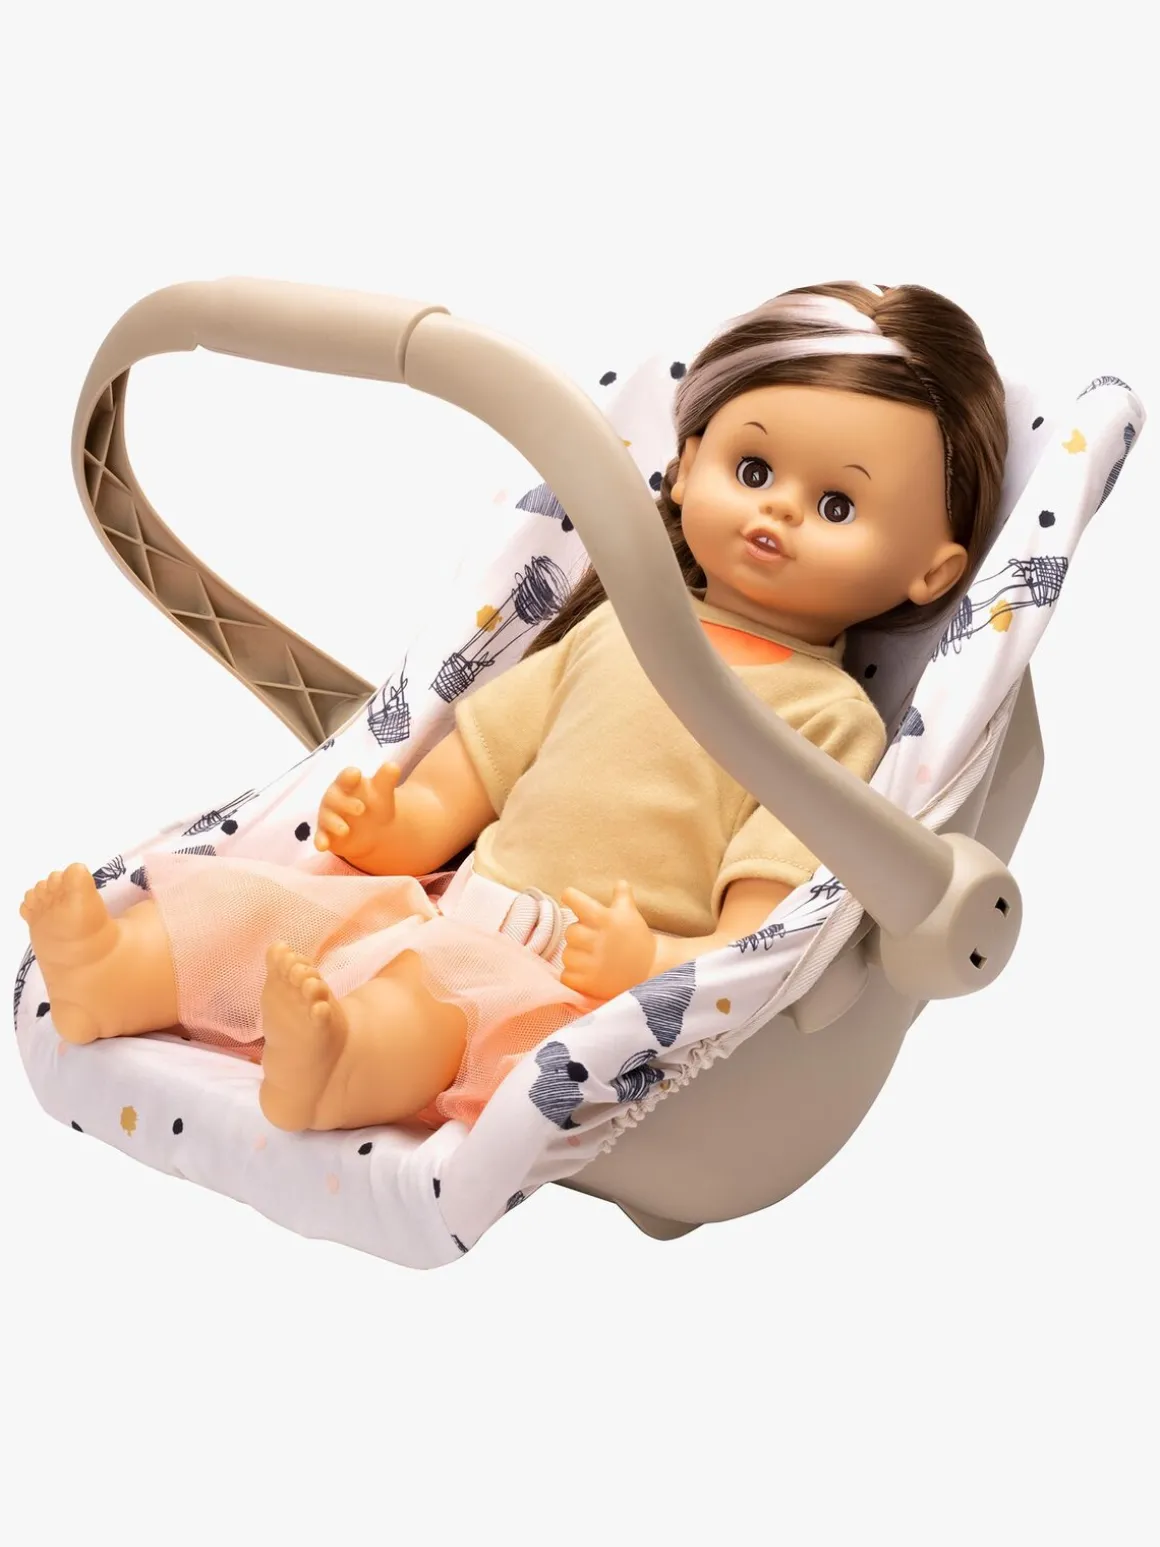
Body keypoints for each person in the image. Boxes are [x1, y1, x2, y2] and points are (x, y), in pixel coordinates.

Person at [19, 281, 1008, 1134]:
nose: (779, 508)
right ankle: (114, 969)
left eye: (837, 504)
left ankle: (338, 1067)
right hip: (446, 903)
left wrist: (653, 961)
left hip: (558, 972)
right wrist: (393, 828)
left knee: (430, 1013)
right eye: (752, 470)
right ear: (686, 464)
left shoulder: (828, 721)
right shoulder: (612, 628)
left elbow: (760, 940)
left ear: (931, 570)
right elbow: (474, 774)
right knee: (253, 912)